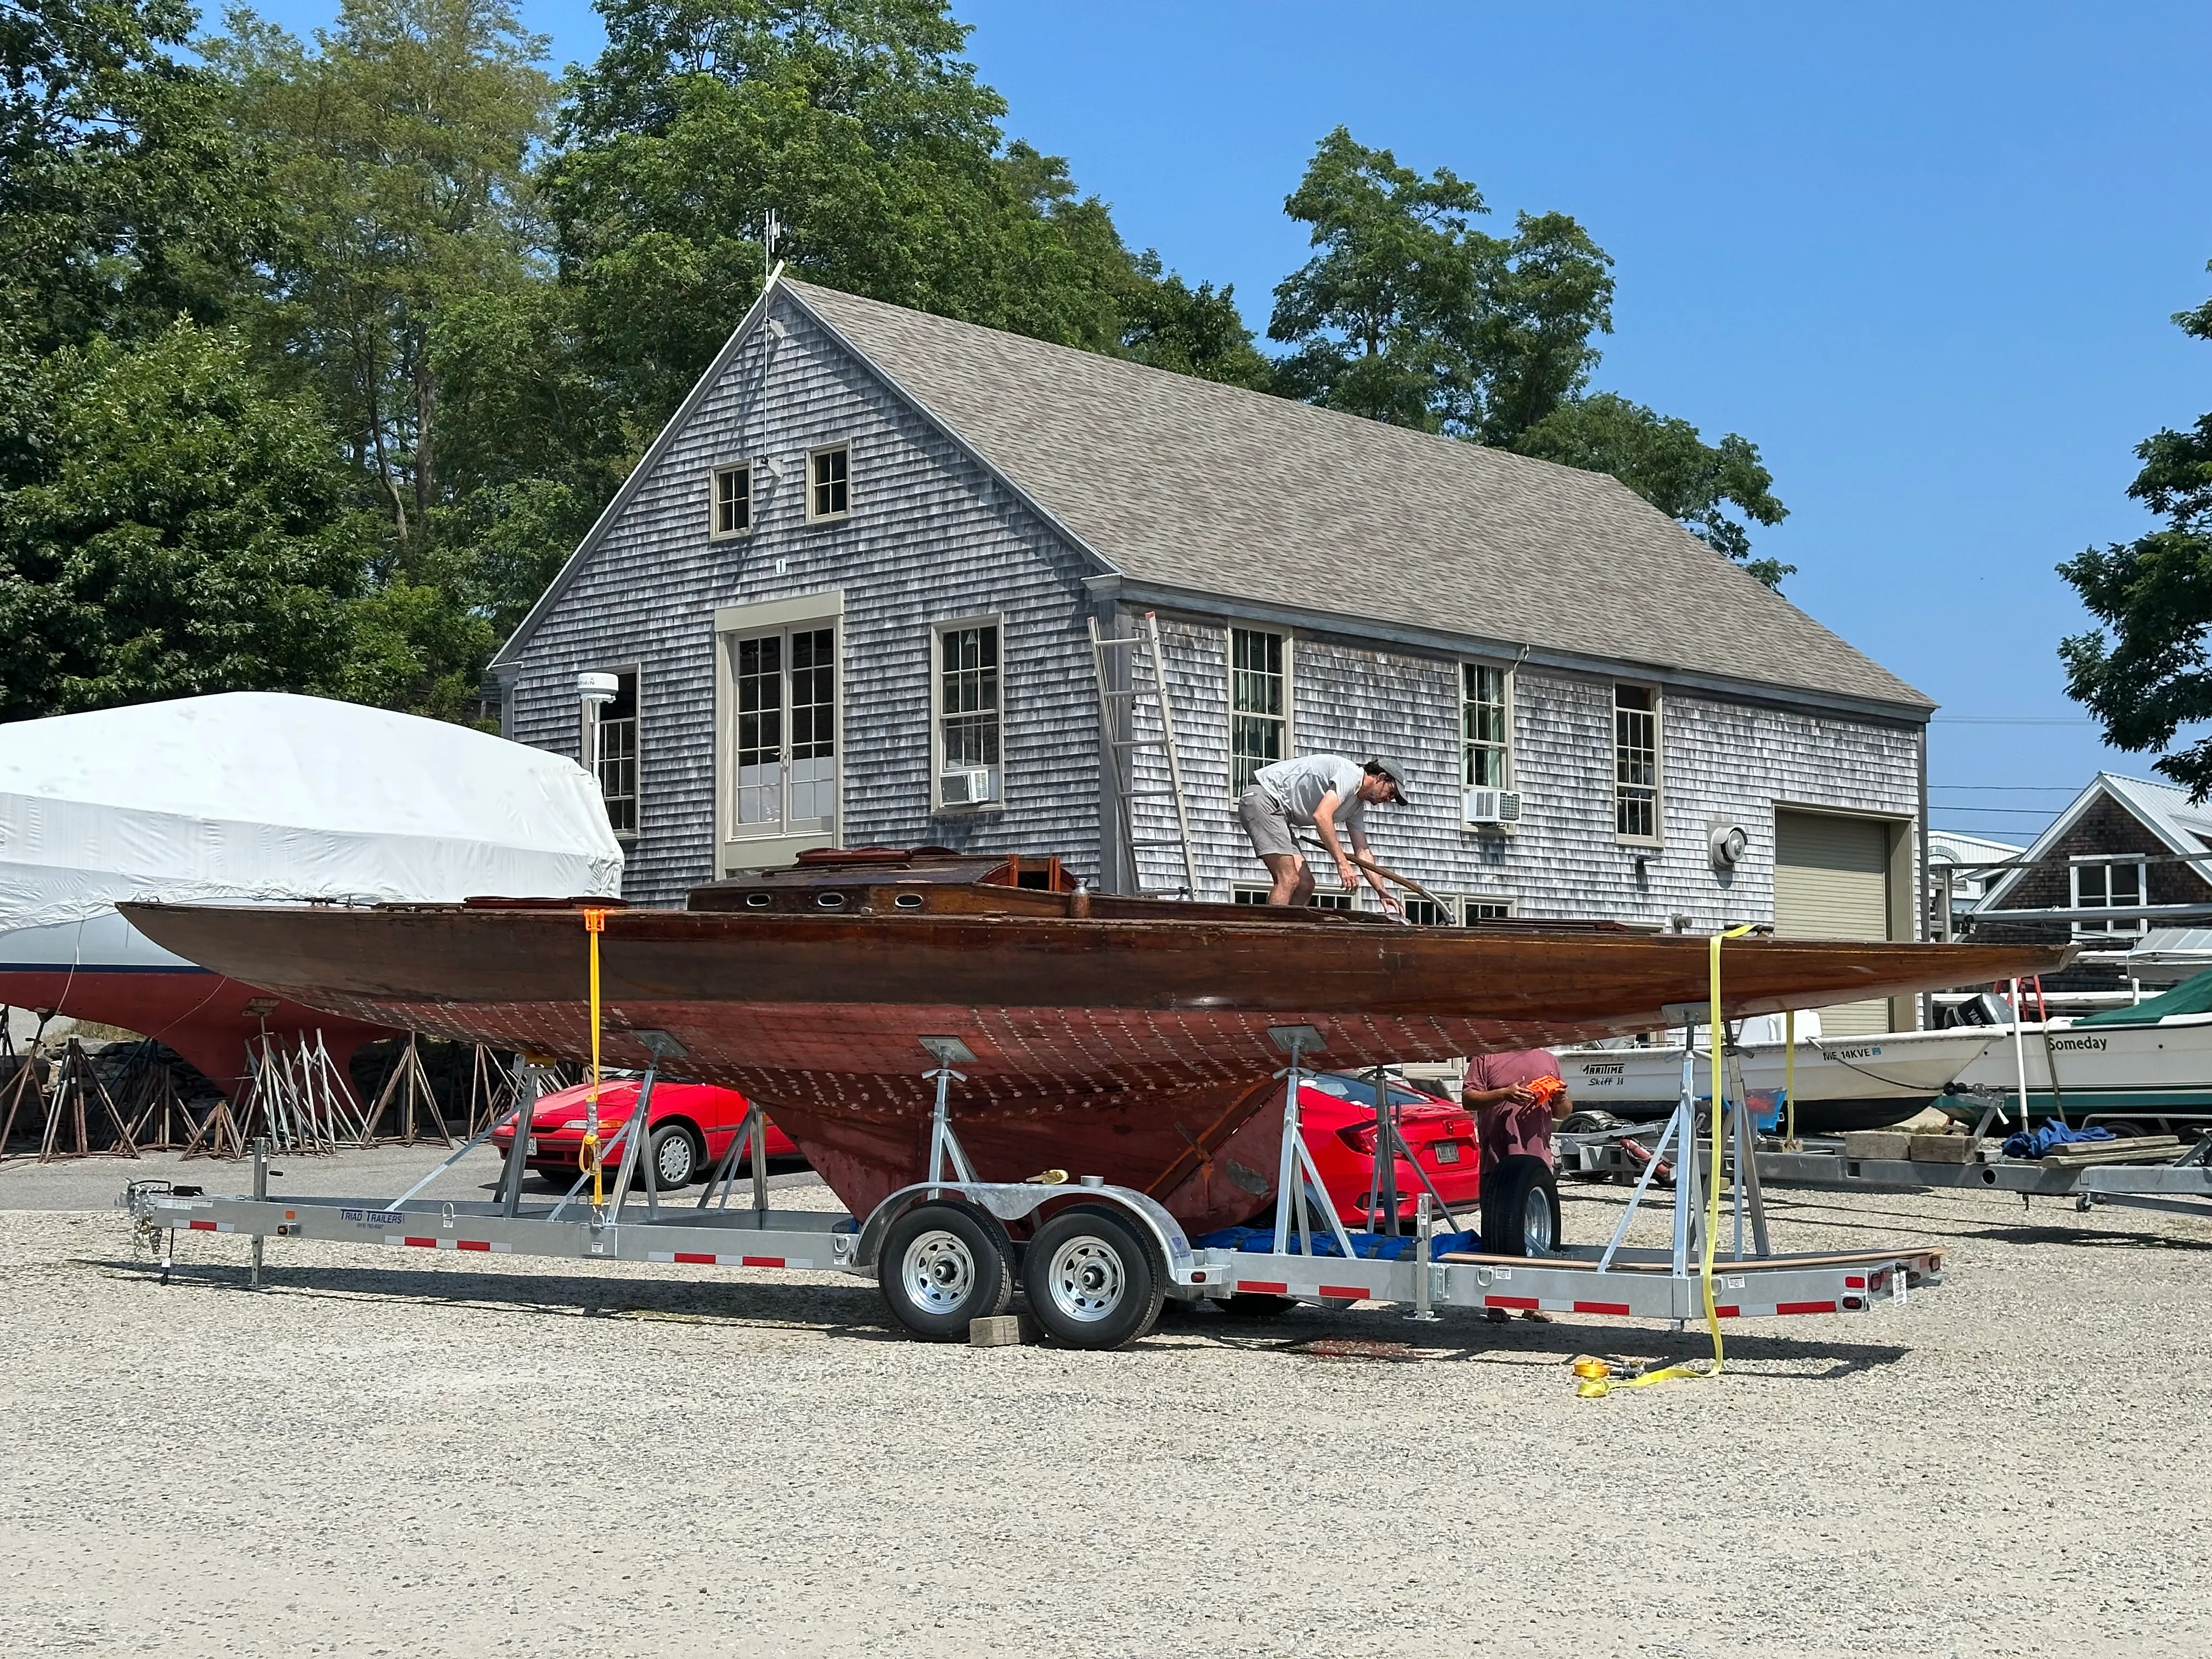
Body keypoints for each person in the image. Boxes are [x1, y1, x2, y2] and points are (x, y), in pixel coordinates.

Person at [1462, 1047, 1572, 1315]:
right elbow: (1468, 1100)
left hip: (1538, 1162)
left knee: (1537, 1233)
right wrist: (1504, 1094)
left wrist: (1561, 1098)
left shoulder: (1548, 1059)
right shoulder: (1485, 1056)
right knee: (1497, 1232)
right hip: (1497, 1160)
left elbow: (1564, 1112)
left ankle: (1532, 1303)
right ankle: (1496, 1302)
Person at [1238, 754, 1409, 912]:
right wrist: (1342, 864)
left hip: (1281, 815)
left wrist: (1382, 892)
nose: (1389, 799)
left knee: (1305, 884)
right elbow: (1322, 817)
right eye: (1391, 793)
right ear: (1381, 778)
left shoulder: (1356, 805)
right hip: (1264, 798)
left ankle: (1290, 935)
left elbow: (1363, 852)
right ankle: (1272, 939)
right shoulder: (1351, 775)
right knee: (1288, 879)